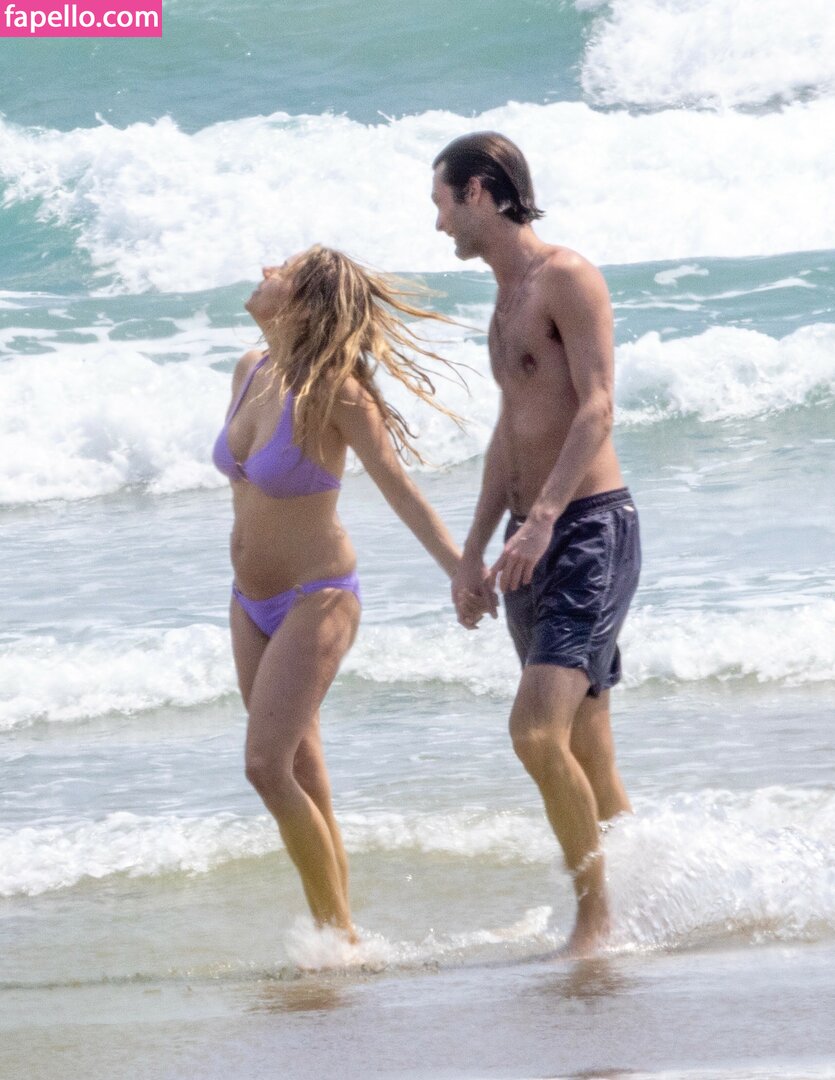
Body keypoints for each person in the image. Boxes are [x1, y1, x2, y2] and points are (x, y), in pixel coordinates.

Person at [431, 132, 641, 957]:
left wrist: (546, 517)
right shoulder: (502, 300)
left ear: (478, 192)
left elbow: (598, 406)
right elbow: (509, 433)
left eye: (441, 203)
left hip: (585, 530)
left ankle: (594, 920)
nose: (438, 224)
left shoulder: (566, 277)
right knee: (586, 747)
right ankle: (651, 900)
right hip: (530, 544)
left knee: (533, 733)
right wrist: (472, 551)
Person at [213, 245, 462, 939]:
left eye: (284, 270)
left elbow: (399, 489)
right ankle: (336, 931)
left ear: (306, 300)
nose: (267, 270)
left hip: (316, 597)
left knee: (266, 767)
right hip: (249, 601)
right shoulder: (250, 368)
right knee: (301, 765)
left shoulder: (337, 392)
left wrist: (460, 570)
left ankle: (339, 938)